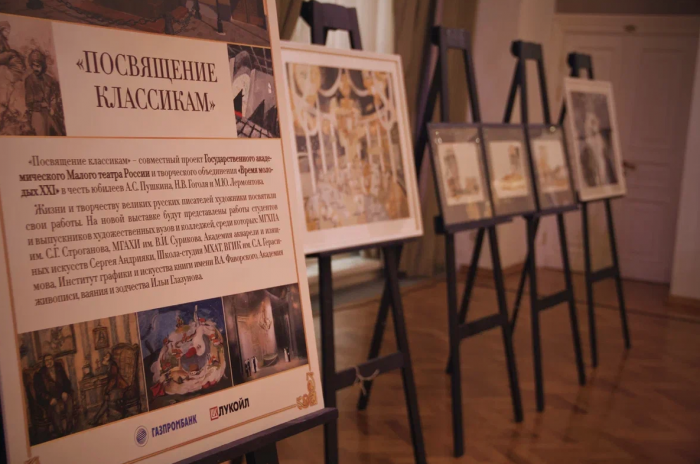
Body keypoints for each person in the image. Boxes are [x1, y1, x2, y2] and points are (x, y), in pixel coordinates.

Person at [24, 49, 65, 136]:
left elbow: (53, 96)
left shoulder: (49, 79)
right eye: (33, 65)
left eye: (38, 66)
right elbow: (29, 102)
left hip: (50, 114)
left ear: (42, 66)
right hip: (37, 114)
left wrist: (52, 107)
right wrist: (42, 105)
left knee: (59, 134)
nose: (35, 68)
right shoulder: (29, 80)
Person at [33, 354, 74, 436]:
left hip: (61, 395)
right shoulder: (39, 374)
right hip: (50, 399)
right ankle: (60, 432)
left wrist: (65, 391)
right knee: (56, 407)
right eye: (46, 360)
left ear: (53, 360)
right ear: (44, 362)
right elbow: (39, 392)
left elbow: (67, 382)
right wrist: (49, 399)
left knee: (69, 399)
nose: (49, 362)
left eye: (50, 359)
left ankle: (69, 426)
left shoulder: (59, 368)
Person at [90, 351, 129, 426]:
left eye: (106, 357)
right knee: (106, 401)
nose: (104, 358)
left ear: (109, 359)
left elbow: (113, 380)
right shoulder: (110, 366)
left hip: (120, 388)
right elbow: (110, 377)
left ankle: (96, 419)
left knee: (106, 400)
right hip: (116, 387)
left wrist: (107, 390)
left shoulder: (113, 366)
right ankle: (96, 419)